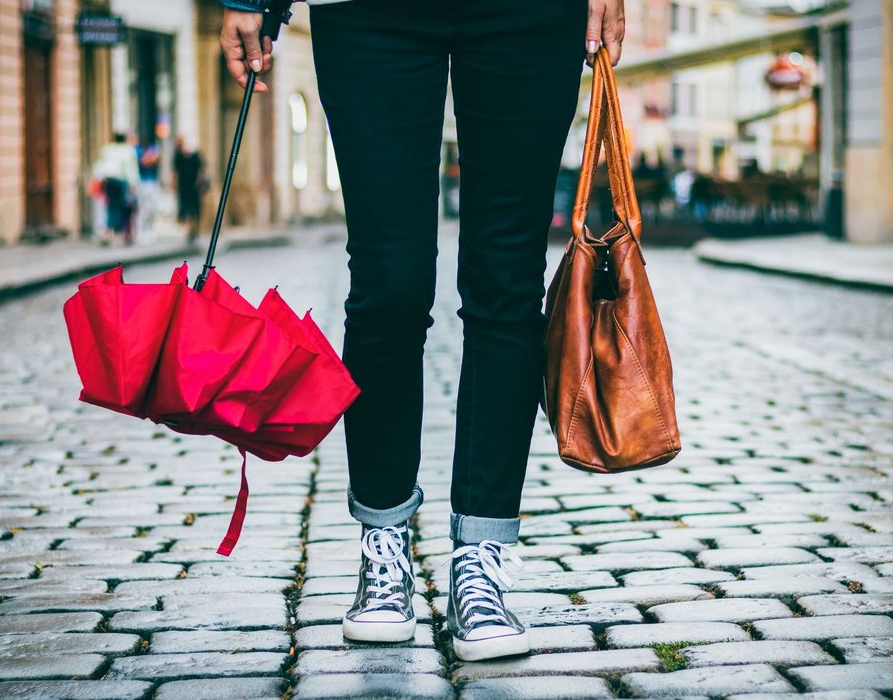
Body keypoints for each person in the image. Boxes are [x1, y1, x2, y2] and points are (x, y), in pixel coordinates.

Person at [221, 0, 623, 662]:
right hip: (367, 14)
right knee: (388, 287)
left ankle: (482, 560)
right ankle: (383, 547)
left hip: (529, 16)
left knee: (507, 283)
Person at [92, 133, 141, 246]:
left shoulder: (107, 149)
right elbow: (131, 168)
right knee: (122, 206)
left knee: (110, 205)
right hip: (121, 180)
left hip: (108, 180)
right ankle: (119, 233)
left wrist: (98, 178)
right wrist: (134, 184)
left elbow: (100, 165)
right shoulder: (128, 150)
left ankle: (109, 232)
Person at [173, 136, 207, 244]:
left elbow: (201, 170)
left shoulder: (195, 155)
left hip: (193, 186)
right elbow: (174, 172)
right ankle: (188, 231)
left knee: (194, 209)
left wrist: (199, 182)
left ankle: (194, 230)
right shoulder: (178, 156)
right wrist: (174, 184)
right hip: (183, 186)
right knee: (186, 209)